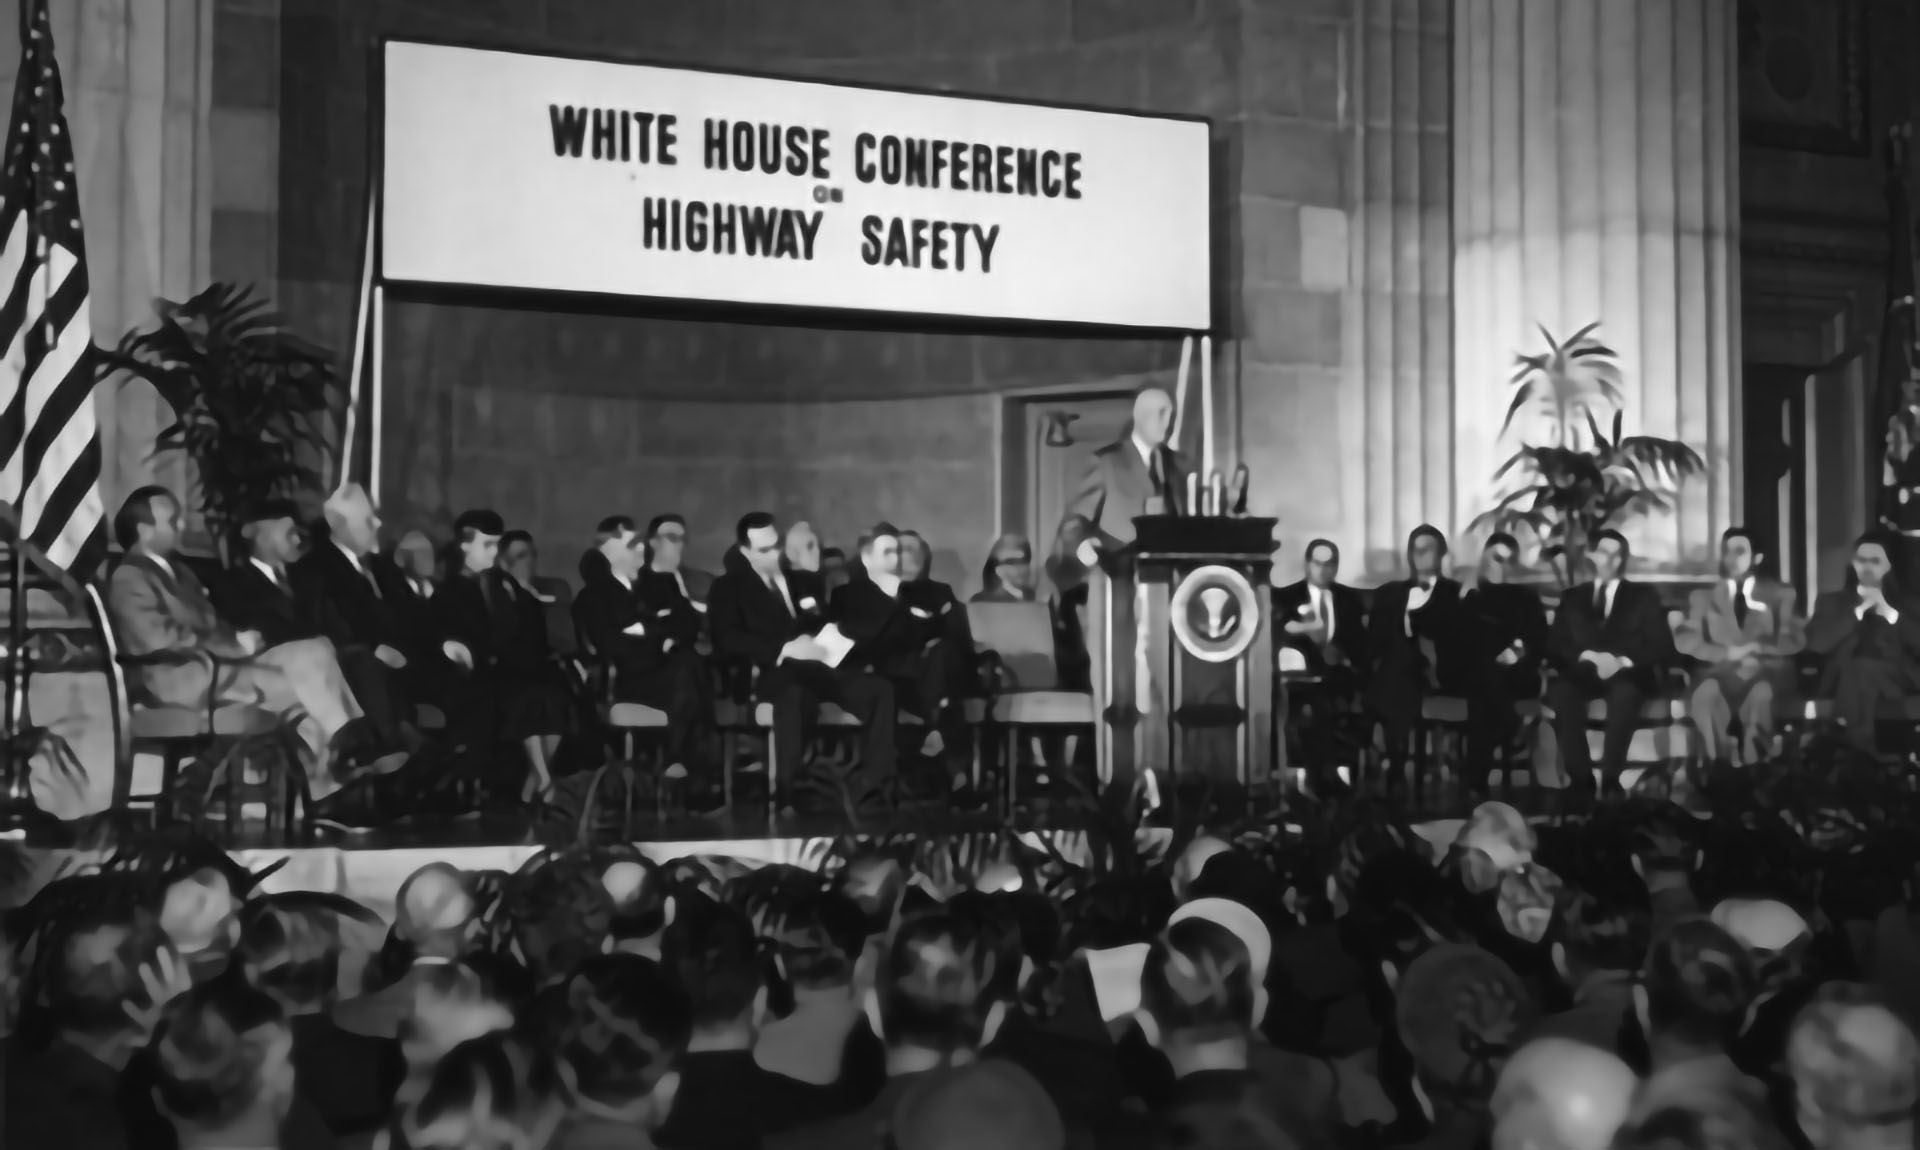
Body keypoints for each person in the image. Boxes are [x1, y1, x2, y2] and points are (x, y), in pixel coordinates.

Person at [708, 511, 897, 807]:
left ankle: (872, 782)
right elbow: (728, 638)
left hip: (822, 667)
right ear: (745, 551)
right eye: (764, 550)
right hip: (776, 670)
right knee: (795, 696)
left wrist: (834, 637)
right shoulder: (729, 588)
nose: (774, 554)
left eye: (776, 546)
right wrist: (784, 648)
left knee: (879, 690)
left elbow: (822, 619)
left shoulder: (804, 582)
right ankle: (788, 788)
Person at [1545, 529, 1676, 797]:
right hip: (1584, 670)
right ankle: (1580, 780)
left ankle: (1611, 780)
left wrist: (1621, 661)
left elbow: (1661, 646)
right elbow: (1556, 644)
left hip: (1629, 672)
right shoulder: (1572, 597)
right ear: (1591, 556)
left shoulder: (1643, 596)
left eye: (1618, 556)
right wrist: (1588, 656)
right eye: (1606, 553)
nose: (1613, 562)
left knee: (1625, 692)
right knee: (1561, 691)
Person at [1675, 528, 1807, 766]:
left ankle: (1756, 767)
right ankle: (1718, 768)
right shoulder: (1703, 597)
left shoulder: (1780, 594)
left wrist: (1758, 646)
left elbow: (1795, 640)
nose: (1731, 558)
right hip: (1720, 672)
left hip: (1765, 673)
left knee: (1762, 693)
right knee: (1705, 694)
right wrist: (1726, 653)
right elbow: (1685, 640)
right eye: (1726, 551)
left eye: (1739, 551)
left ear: (1756, 557)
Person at [1805, 531, 1920, 754]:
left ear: (1889, 565)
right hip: (1844, 678)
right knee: (1860, 669)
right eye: (1861, 560)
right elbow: (1817, 643)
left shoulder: (1908, 603)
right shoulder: (1832, 601)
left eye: (1875, 561)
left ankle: (1856, 754)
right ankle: (1865, 754)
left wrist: (1890, 613)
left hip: (1897, 679)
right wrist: (1856, 613)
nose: (1867, 566)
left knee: (1863, 670)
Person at [1063, 386, 1189, 572]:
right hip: (1119, 574)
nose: (1168, 422)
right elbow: (1074, 522)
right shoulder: (1105, 462)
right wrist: (1083, 544)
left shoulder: (1179, 465)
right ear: (1140, 416)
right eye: (1161, 414)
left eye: (1172, 415)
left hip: (1169, 574)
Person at [973, 534, 1036, 603]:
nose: (1020, 568)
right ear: (997, 568)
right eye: (1012, 562)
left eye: (1024, 561)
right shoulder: (981, 600)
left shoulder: (1034, 597)